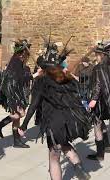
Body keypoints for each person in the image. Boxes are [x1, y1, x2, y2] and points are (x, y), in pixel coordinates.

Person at [18, 42, 92, 180]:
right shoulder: (66, 79)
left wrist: (24, 125)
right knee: (64, 144)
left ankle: (66, 173)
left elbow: (34, 105)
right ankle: (78, 167)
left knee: (54, 156)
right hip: (69, 121)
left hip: (53, 122)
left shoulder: (42, 81)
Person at [0, 39, 41, 148]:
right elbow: (20, 78)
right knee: (21, 114)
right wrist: (35, 75)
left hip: (14, 89)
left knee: (18, 117)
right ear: (23, 51)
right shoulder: (17, 61)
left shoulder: (15, 60)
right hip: (12, 91)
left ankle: (16, 141)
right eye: (26, 50)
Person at [86, 43, 110, 161]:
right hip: (106, 100)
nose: (95, 56)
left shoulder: (99, 67)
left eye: (97, 54)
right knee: (101, 122)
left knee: (97, 125)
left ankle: (100, 154)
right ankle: (106, 145)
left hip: (99, 100)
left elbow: (98, 84)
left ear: (100, 55)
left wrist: (94, 99)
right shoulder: (109, 66)